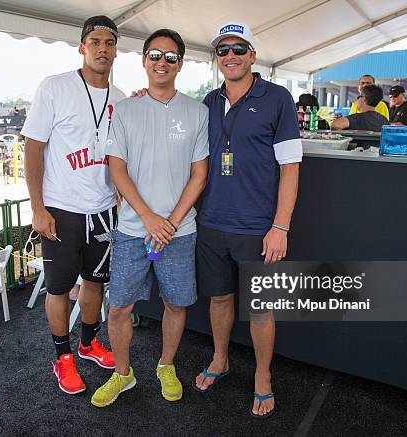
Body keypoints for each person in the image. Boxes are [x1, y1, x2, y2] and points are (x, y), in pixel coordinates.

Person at [92, 28, 208, 408]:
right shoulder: (124, 110)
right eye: (155, 55)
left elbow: (200, 174)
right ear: (143, 61)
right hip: (132, 231)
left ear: (180, 63)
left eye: (170, 56)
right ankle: (122, 374)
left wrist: (169, 223)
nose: (162, 62)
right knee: (120, 307)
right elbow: (117, 169)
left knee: (176, 305)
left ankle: (166, 365)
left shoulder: (198, 111)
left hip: (179, 231)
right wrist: (148, 218)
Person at [194, 22, 301, 419]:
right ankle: (220, 359)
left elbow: (290, 168)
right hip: (212, 223)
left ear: (253, 55)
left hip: (259, 228)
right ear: (217, 58)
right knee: (219, 298)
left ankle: (262, 376)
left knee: (261, 308)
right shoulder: (207, 100)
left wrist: (281, 225)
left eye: (239, 48)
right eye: (223, 50)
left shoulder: (278, 98)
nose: (231, 56)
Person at [21, 15, 126, 395]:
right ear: (82, 46)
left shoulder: (121, 98)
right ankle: (62, 356)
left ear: (116, 50)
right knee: (59, 288)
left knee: (96, 282)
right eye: (95, 41)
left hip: (102, 209)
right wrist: (37, 207)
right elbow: (33, 147)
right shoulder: (55, 87)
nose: (102, 48)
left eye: (109, 43)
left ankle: (88, 344)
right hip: (61, 209)